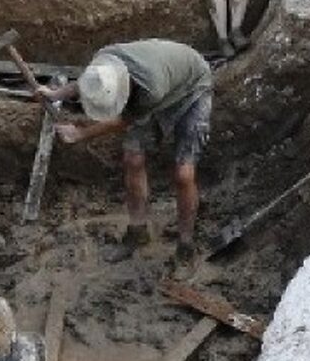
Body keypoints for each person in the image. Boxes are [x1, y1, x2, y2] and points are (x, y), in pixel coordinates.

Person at [39, 39, 212, 262]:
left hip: (192, 89)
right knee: (133, 159)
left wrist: (80, 133)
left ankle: (185, 243)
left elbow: (122, 122)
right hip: (158, 81)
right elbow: (86, 84)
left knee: (184, 173)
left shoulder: (151, 89)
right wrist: (55, 94)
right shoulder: (103, 61)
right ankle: (137, 233)